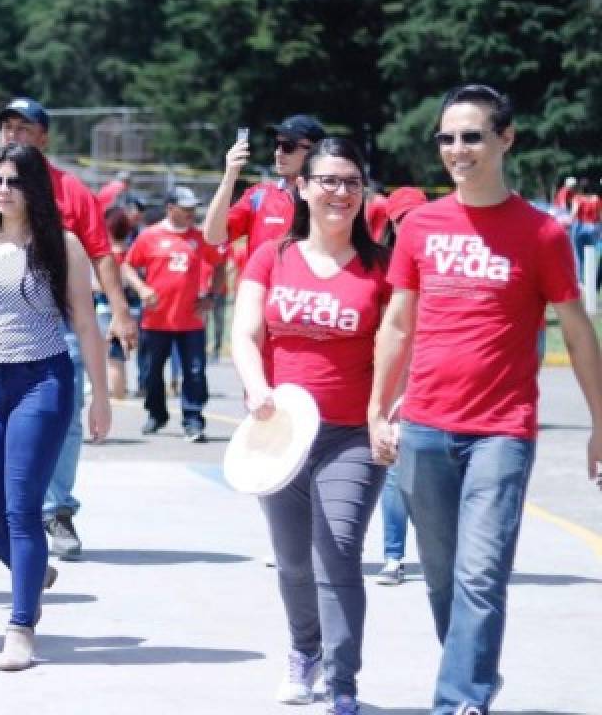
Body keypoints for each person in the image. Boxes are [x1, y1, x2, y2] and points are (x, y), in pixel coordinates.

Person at [368, 84, 602, 715]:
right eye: (447, 137)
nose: (456, 149)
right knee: (444, 579)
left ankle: (459, 699)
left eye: (471, 136)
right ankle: (474, 673)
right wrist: (376, 407)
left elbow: (577, 330)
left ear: (505, 139)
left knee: (480, 575)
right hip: (422, 427)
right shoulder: (420, 227)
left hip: (502, 430)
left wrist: (599, 423)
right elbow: (397, 323)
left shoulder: (542, 233)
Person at [231, 137, 391, 715]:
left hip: (351, 434)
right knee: (294, 558)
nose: (340, 192)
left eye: (351, 182)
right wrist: (256, 386)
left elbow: (401, 347)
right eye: (328, 180)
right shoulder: (271, 256)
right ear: (303, 187)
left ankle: (343, 681)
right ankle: (305, 652)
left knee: (339, 551)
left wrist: (386, 413)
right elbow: (246, 332)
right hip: (281, 435)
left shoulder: (382, 269)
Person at [0, 143, 111, 671]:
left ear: (34, 188)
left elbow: (86, 324)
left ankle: (21, 625)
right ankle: (30, 570)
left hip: (44, 379)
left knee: (21, 507)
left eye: (15, 181)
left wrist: (100, 396)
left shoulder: (61, 245)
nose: (4, 190)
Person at [0, 96, 136, 560]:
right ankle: (15, 520)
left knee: (65, 422)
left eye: (24, 127)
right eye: (7, 126)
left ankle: (58, 509)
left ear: (43, 137)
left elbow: (99, 253)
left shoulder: (70, 190)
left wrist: (120, 311)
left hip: (59, 324)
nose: (13, 134)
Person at [123, 186, 223, 442]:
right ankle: (156, 414)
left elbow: (219, 263)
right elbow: (127, 267)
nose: (191, 213)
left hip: (191, 321)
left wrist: (211, 296)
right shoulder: (150, 237)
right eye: (185, 209)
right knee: (151, 372)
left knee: (195, 371)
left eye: (193, 209)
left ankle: (193, 418)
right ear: (170, 209)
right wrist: (142, 288)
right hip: (156, 320)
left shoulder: (200, 238)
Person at [372, 186, 428, 587]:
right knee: (394, 465)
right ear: (391, 223)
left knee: (435, 470)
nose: (412, 224)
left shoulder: (441, 255)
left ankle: (444, 552)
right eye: (403, 218)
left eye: (418, 215)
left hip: (437, 370)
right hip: (397, 372)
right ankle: (394, 554)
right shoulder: (380, 265)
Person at [203, 114, 328, 262]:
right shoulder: (259, 195)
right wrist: (230, 175)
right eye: (276, 145)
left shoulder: (330, 199)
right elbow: (213, 236)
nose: (278, 152)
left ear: (314, 151)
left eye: (288, 147)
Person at [97, 206, 135, 398]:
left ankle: (117, 392)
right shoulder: (131, 252)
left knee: (113, 354)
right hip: (132, 307)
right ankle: (120, 387)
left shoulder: (105, 255)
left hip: (106, 307)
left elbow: (96, 284)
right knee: (122, 351)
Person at [570, 177, 601, 286]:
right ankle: (592, 279)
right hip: (593, 227)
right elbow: (600, 216)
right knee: (593, 254)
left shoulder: (577, 198)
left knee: (578, 256)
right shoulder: (596, 198)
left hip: (580, 227)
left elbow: (574, 213)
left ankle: (581, 281)